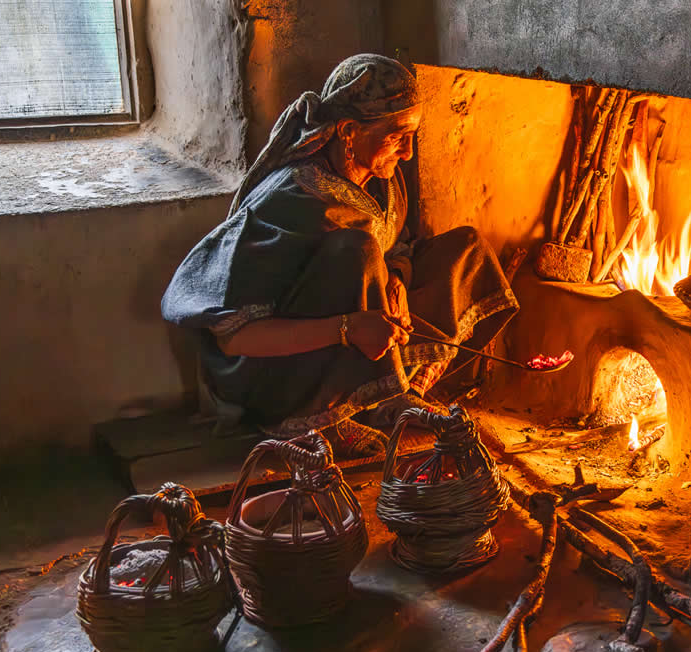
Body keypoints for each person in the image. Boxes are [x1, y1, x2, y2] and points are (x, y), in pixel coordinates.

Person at [161, 54, 518, 456]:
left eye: (413, 135)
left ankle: (391, 396)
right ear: (349, 131)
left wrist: (395, 275)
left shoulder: (380, 177)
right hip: (274, 373)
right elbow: (235, 338)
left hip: (357, 328)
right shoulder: (291, 200)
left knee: (465, 248)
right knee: (356, 251)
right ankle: (322, 420)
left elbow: (396, 242)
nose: (408, 152)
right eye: (398, 134)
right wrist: (348, 328)